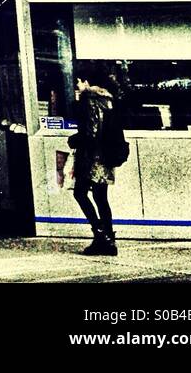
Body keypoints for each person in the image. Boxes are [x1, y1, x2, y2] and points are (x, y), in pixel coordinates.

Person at [69, 67, 120, 256]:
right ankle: (109, 240)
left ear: (86, 82)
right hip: (105, 156)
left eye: (78, 81)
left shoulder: (90, 99)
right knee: (101, 198)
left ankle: (100, 235)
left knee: (80, 193)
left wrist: (76, 139)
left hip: (92, 158)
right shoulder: (107, 99)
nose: (77, 85)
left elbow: (92, 132)